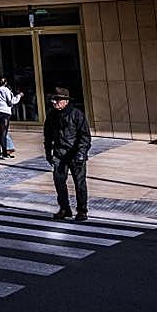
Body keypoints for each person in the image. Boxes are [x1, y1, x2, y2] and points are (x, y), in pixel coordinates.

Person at [44, 87, 91, 221]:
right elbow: (47, 136)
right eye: (54, 99)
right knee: (59, 182)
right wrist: (48, 153)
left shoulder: (76, 114)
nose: (54, 102)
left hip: (75, 154)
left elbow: (85, 136)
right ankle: (64, 209)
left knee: (79, 183)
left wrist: (81, 153)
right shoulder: (51, 115)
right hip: (59, 154)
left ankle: (82, 210)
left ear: (66, 101)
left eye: (58, 100)